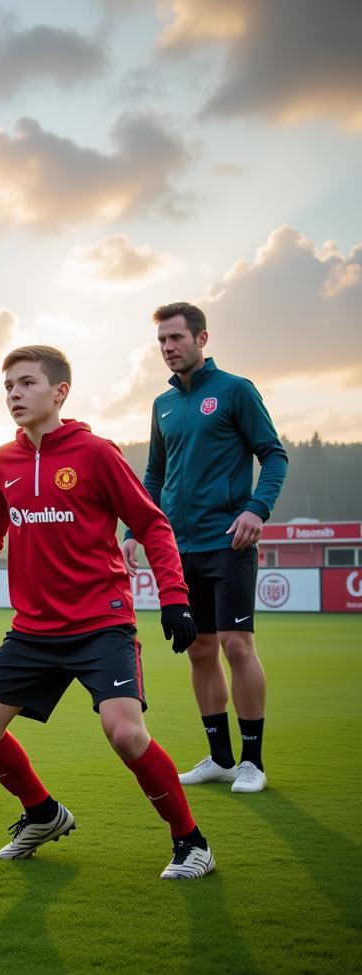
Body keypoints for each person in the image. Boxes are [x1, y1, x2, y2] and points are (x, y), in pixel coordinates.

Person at [0, 345, 215, 880]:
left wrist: (175, 597)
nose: (14, 395)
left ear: (59, 391)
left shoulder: (97, 454)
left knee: (125, 732)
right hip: (33, 629)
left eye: (26, 384)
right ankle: (42, 814)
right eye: (8, 388)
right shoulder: (2, 461)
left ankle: (192, 843)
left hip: (101, 623)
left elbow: (153, 525)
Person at [121, 302, 287, 794]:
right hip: (177, 548)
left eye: (176, 338)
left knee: (237, 645)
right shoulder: (162, 405)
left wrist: (257, 509)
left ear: (201, 339)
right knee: (199, 648)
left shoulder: (235, 391)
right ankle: (219, 758)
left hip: (229, 540)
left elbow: (273, 455)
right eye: (161, 342)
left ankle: (252, 762)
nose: (169, 348)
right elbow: (154, 475)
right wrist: (133, 531)